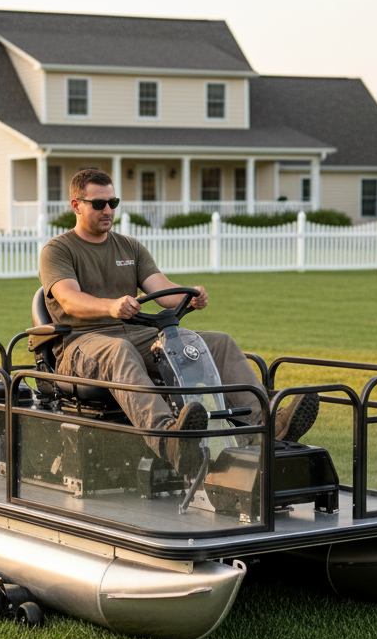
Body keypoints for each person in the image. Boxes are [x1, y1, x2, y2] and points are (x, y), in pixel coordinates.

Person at [38, 168, 318, 470]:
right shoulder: (58, 250)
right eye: (98, 204)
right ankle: (170, 439)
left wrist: (190, 295)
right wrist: (111, 307)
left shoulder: (129, 246)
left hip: (132, 334)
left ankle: (267, 425)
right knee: (119, 351)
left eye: (113, 203)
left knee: (218, 343)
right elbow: (69, 298)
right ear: (76, 205)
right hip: (81, 344)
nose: (108, 210)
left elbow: (163, 290)